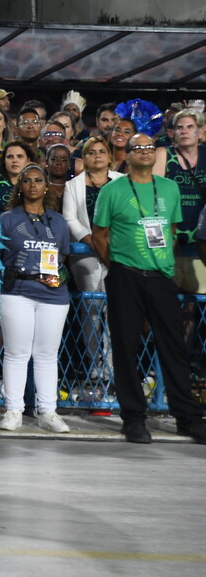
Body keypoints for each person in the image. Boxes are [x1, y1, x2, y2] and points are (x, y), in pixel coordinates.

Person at [92, 133, 206, 444]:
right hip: (125, 275)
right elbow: (99, 235)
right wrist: (115, 266)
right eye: (137, 148)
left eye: (148, 147)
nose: (144, 152)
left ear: (156, 154)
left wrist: (163, 264)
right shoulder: (112, 191)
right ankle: (133, 419)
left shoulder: (169, 188)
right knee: (126, 348)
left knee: (174, 347)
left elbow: (169, 230)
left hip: (160, 277)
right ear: (126, 156)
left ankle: (187, 417)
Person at [0, 164, 71, 433]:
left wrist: (53, 277)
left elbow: (62, 257)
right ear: (20, 187)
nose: (32, 185)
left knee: (47, 355)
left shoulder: (59, 222)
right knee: (17, 353)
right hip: (17, 292)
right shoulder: (7, 219)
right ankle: (14, 410)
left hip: (53, 294)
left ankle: (48, 412)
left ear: (46, 185)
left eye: (38, 180)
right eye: (26, 181)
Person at [62, 135, 120, 387]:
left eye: (101, 151)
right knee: (92, 310)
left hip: (118, 252)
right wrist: (92, 241)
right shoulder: (72, 185)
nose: (97, 155)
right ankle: (95, 362)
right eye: (91, 152)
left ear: (109, 156)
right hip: (85, 254)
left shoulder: (122, 182)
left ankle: (112, 365)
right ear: (83, 158)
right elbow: (70, 219)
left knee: (115, 310)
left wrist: (109, 244)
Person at [154, 109, 206, 296]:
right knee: (167, 296)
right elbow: (153, 197)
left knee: (196, 302)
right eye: (179, 127)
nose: (184, 131)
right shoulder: (163, 153)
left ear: (200, 132)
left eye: (190, 127)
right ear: (172, 133)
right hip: (171, 235)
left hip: (201, 236)